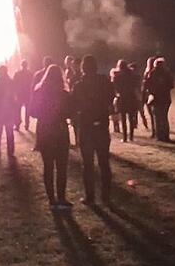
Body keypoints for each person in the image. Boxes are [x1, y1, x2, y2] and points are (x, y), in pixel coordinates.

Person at [71, 55, 115, 205]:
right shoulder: (104, 82)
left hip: (86, 128)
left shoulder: (79, 86)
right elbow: (110, 99)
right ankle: (106, 196)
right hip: (101, 126)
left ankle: (90, 197)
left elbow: (74, 106)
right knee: (104, 163)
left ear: (83, 68)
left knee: (88, 164)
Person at [31, 64, 73, 209]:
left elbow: (32, 111)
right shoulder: (64, 94)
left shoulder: (39, 91)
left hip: (44, 129)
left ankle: (52, 200)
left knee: (48, 166)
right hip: (60, 130)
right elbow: (70, 113)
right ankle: (61, 198)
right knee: (61, 167)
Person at [0, 65, 17, 161]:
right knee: (9, 132)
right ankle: (10, 151)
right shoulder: (11, 82)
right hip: (8, 111)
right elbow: (14, 97)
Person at [146, 58, 174, 141]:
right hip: (166, 98)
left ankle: (159, 136)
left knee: (157, 118)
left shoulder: (152, 73)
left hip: (156, 98)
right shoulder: (167, 73)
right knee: (164, 117)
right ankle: (166, 135)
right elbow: (171, 85)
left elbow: (148, 85)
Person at [112, 59, 140, 142]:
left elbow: (115, 88)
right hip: (131, 97)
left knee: (123, 119)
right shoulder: (132, 75)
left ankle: (124, 137)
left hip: (122, 98)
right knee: (131, 118)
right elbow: (136, 86)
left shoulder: (117, 76)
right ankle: (131, 136)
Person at [12, 60, 34, 131]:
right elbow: (32, 84)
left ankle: (17, 124)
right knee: (27, 110)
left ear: (21, 65)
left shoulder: (17, 73)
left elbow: (14, 84)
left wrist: (14, 93)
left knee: (17, 110)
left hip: (20, 94)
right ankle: (27, 124)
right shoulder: (30, 74)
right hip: (27, 94)